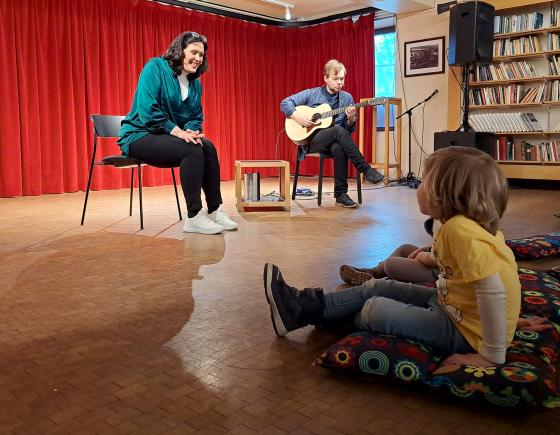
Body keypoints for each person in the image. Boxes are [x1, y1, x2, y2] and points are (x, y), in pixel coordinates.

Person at [264, 146, 523, 367]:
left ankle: (317, 314)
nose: (418, 188)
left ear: (448, 195)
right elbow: (462, 268)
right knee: (377, 286)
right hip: (453, 306)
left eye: (424, 183)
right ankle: (303, 307)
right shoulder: (454, 225)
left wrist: (492, 353)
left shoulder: (460, 230)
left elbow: (493, 291)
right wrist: (510, 320)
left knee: (374, 309)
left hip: (461, 330)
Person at [118, 32, 237, 235]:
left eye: (201, 55)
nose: (198, 58)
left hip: (164, 136)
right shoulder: (155, 67)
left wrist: (191, 129)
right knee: (191, 149)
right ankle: (193, 217)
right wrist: (178, 132)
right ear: (179, 51)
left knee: (206, 146)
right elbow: (147, 109)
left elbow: (196, 116)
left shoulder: (195, 83)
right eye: (193, 52)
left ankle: (215, 209)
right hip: (139, 135)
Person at [280, 59, 385, 208]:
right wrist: (300, 118)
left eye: (342, 79)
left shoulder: (347, 98)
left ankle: (341, 195)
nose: (339, 82)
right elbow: (285, 103)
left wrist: (351, 119)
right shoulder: (312, 93)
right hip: (311, 141)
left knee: (339, 146)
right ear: (326, 78)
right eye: (335, 79)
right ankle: (366, 170)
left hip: (334, 141)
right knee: (338, 131)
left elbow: (348, 132)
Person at [339, 219, 440, 286]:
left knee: (389, 264)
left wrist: (420, 255)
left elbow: (437, 259)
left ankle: (377, 282)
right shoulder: (444, 220)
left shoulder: (449, 227)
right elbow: (437, 247)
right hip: (434, 262)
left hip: (439, 274)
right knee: (405, 248)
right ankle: (373, 273)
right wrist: (422, 250)